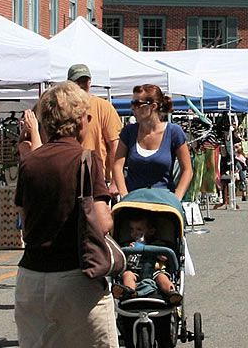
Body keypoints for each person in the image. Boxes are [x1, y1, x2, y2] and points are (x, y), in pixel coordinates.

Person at [14, 81, 119, 348]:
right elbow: (103, 222)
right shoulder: (85, 159)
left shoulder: (30, 163)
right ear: (80, 121)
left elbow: (25, 223)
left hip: (32, 278)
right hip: (75, 275)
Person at [112, 84, 193, 200]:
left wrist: (177, 198)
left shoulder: (174, 132)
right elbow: (117, 166)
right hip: (134, 201)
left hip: (165, 201)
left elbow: (187, 170)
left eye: (137, 104)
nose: (133, 108)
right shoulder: (128, 132)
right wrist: (125, 196)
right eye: (132, 104)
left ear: (153, 106)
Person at [68, 64, 123, 197]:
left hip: (97, 179)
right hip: (68, 178)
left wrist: (115, 182)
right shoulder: (63, 108)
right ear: (69, 83)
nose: (83, 84)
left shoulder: (103, 107)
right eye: (78, 81)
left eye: (85, 81)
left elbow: (115, 146)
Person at [111, 214, 182, 305]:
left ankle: (171, 293)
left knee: (162, 277)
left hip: (155, 271)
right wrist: (129, 250)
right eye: (132, 229)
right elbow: (123, 260)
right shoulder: (129, 245)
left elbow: (165, 257)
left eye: (139, 229)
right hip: (135, 271)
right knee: (127, 275)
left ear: (151, 231)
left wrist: (152, 251)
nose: (134, 233)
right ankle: (129, 292)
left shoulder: (158, 244)